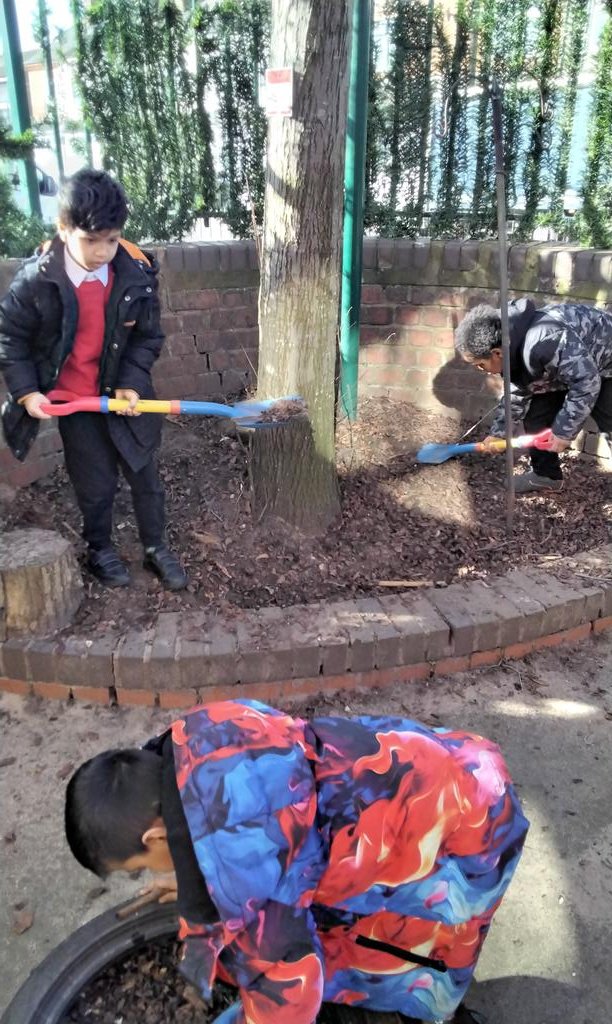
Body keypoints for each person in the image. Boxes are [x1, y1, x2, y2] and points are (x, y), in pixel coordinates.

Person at [65, 698, 528, 1024]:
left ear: (156, 835)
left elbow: (289, 995)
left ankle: (438, 1010)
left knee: (431, 939)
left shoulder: (249, 887)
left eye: (142, 866)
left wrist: (210, 897)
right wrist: (192, 879)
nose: (152, 874)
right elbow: (232, 827)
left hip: (466, 831)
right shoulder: (199, 736)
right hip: (445, 762)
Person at [0, 168, 187, 589]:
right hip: (76, 402)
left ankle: (156, 547)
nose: (103, 251)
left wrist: (133, 381)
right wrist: (27, 391)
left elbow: (147, 336)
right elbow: (10, 337)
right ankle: (99, 548)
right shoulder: (36, 281)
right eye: (91, 240)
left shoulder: (134, 275)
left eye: (113, 238)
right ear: (63, 229)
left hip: (125, 396)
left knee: (145, 473)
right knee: (95, 482)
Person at [454, 298, 612, 494]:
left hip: (604, 361)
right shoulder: (510, 346)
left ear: (496, 353)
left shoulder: (544, 341)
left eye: (480, 364)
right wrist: (499, 432)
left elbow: (586, 382)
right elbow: (517, 391)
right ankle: (546, 476)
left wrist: (564, 431)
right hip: (567, 366)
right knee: (537, 414)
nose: (482, 370)